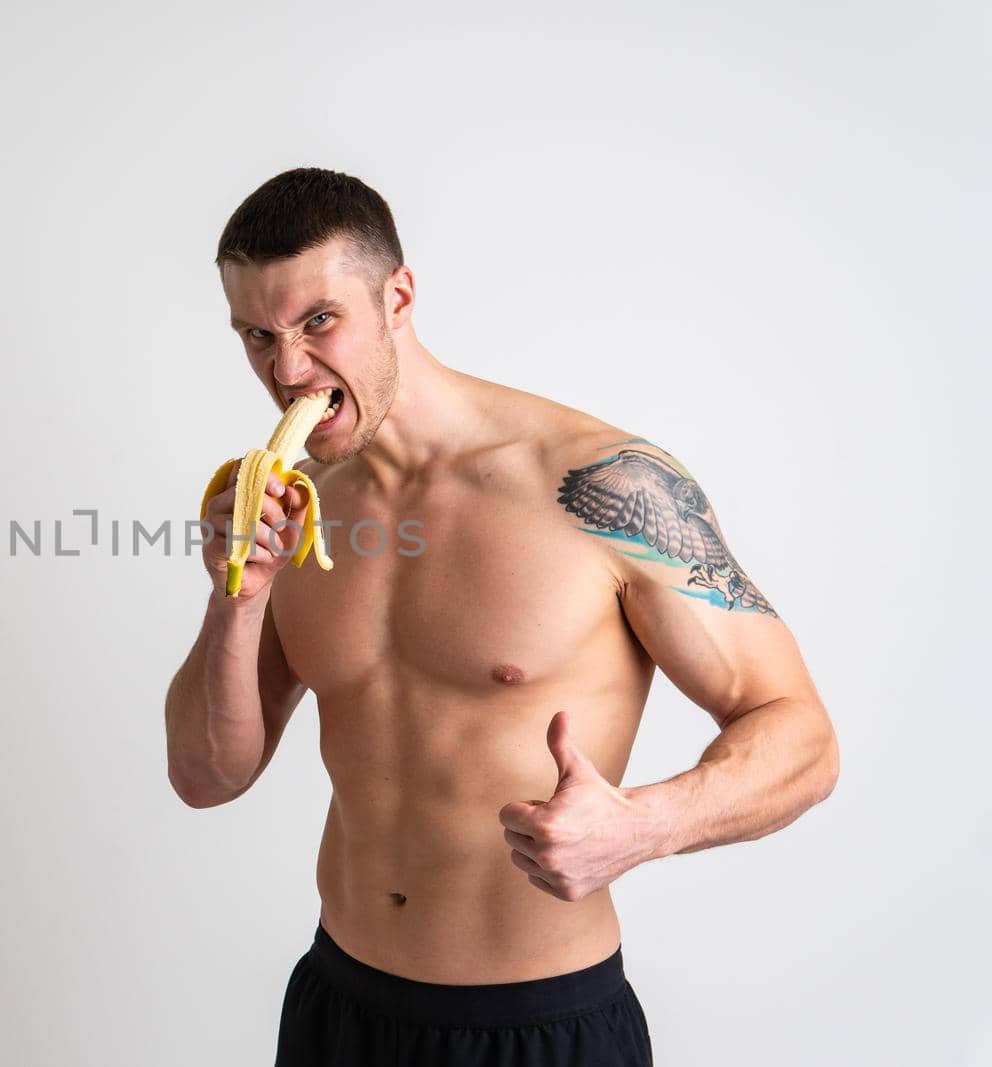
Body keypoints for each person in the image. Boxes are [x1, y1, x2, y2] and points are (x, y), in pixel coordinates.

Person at [163, 167, 840, 1066]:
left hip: (540, 1025)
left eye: (318, 322)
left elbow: (803, 736)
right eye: (257, 335)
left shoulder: (602, 486)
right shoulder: (299, 507)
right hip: (342, 1006)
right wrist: (238, 597)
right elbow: (208, 775)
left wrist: (646, 825)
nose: (288, 372)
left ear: (397, 295)